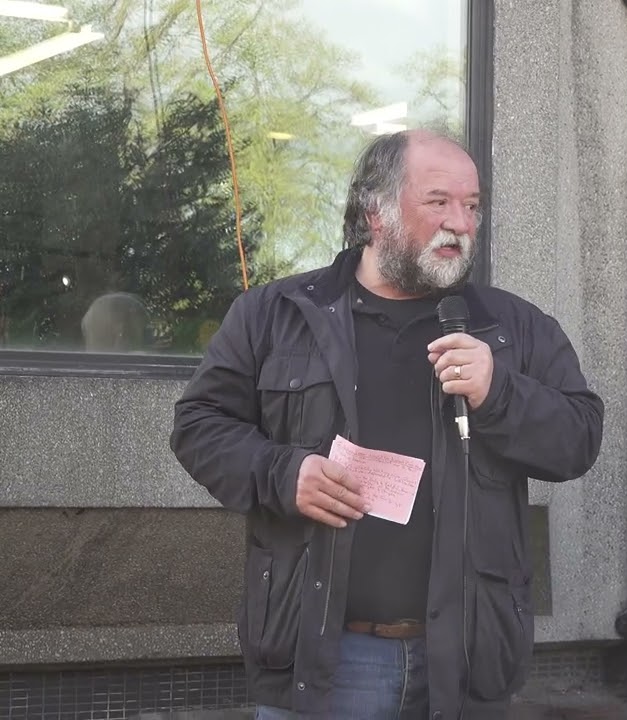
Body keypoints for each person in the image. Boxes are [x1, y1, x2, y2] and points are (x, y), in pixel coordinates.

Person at [170, 129, 604, 719]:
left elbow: (579, 438)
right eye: (438, 202)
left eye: (472, 206)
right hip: (326, 658)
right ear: (375, 212)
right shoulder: (275, 315)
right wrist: (282, 472)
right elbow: (199, 423)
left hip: (464, 659)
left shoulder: (512, 328)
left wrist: (499, 391)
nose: (461, 223)